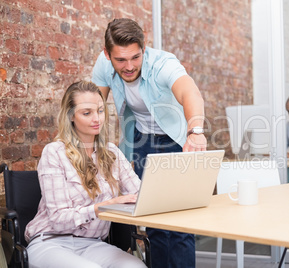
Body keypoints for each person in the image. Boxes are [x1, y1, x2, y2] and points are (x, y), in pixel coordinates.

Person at [91, 18, 207, 268]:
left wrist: (196, 131)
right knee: (153, 220)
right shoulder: (103, 64)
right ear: (107, 54)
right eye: (120, 60)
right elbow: (92, 105)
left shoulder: (163, 63)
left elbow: (190, 92)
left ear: (143, 49)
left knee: (179, 224)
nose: (129, 66)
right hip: (141, 140)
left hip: (176, 140)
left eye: (135, 57)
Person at [24, 81, 147, 268]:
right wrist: (102, 207)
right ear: (71, 116)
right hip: (49, 242)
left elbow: (141, 194)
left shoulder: (112, 153)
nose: (97, 118)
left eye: (100, 110)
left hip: (93, 243)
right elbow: (58, 220)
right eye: (87, 113)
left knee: (135, 266)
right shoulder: (55, 152)